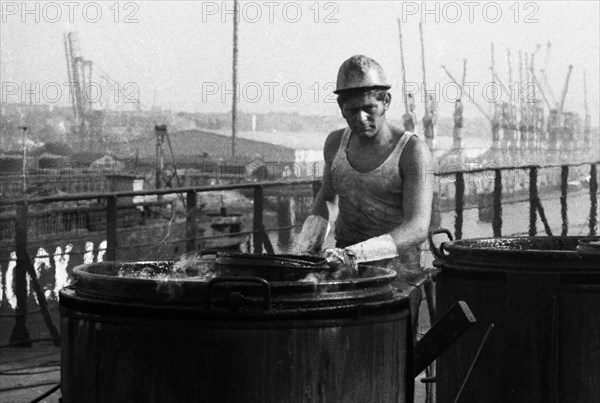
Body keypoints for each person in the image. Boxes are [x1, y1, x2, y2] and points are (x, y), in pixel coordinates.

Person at [296, 55, 433, 278]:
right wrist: (305, 250)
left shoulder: (412, 152)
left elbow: (417, 226)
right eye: (352, 110)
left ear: (386, 102)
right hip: (344, 261)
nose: (361, 118)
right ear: (341, 107)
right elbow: (328, 198)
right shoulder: (335, 144)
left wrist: (353, 255)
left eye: (369, 108)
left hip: (398, 267)